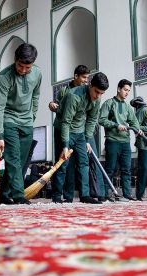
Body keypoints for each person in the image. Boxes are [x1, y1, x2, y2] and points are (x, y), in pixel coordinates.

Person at [0, 43, 42, 205]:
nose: (23, 70)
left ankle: (3, 193)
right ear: (15, 59)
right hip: (9, 120)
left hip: (27, 122)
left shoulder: (37, 74)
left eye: (27, 67)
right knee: (13, 158)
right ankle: (19, 195)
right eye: (20, 65)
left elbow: (36, 97)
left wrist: (32, 116)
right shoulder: (4, 77)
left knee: (19, 162)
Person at [51, 72, 109, 204]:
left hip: (80, 133)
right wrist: (65, 145)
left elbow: (92, 120)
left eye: (101, 93)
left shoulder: (97, 98)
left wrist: (88, 140)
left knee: (84, 163)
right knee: (63, 164)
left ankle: (85, 195)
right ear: (90, 85)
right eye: (96, 92)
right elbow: (66, 122)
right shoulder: (74, 96)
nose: (98, 96)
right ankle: (57, 196)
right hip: (64, 129)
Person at [99, 79, 141, 201]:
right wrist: (115, 125)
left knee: (126, 169)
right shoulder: (109, 103)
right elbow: (101, 120)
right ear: (118, 89)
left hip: (125, 142)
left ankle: (127, 194)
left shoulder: (128, 107)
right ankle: (106, 194)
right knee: (110, 168)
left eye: (128, 90)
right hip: (112, 141)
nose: (127, 92)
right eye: (125, 90)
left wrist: (138, 130)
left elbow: (134, 121)